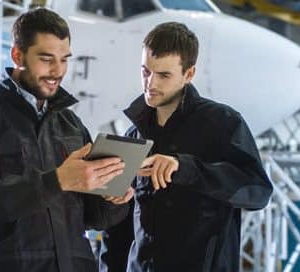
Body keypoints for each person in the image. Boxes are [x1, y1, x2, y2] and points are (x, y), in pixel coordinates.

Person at [0, 8, 133, 272]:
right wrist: (58, 180)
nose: (57, 70)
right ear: (17, 55)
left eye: (64, 59)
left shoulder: (70, 124)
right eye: (46, 59)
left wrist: (114, 199)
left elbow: (94, 217)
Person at [100, 22, 273, 272]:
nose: (150, 84)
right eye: (146, 72)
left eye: (163, 75)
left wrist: (186, 168)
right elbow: (117, 231)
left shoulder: (222, 123)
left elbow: (258, 192)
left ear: (189, 74)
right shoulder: (133, 136)